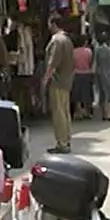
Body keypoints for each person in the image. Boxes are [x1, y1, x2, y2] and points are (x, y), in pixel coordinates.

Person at [42, 14, 75, 154]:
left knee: (58, 113)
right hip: (66, 80)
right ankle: (66, 140)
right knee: (65, 112)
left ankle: (61, 143)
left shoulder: (56, 40)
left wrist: (45, 79)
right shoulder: (67, 40)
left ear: (54, 24)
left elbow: (52, 63)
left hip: (57, 81)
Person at [93, 33, 110, 122]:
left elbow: (95, 63)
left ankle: (104, 113)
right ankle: (108, 114)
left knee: (103, 94)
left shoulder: (97, 50)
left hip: (100, 73)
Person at [71, 35, 94, 121]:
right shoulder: (88, 51)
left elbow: (72, 64)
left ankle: (78, 112)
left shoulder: (73, 52)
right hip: (87, 73)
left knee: (77, 94)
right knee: (86, 94)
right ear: (85, 42)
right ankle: (87, 112)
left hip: (76, 73)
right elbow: (90, 62)